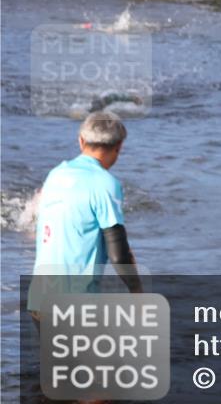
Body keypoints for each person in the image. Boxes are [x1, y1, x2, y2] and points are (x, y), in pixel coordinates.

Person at [27, 112, 142, 326]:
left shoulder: (55, 175)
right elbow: (119, 254)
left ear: (81, 141)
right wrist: (137, 291)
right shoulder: (106, 183)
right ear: (119, 147)